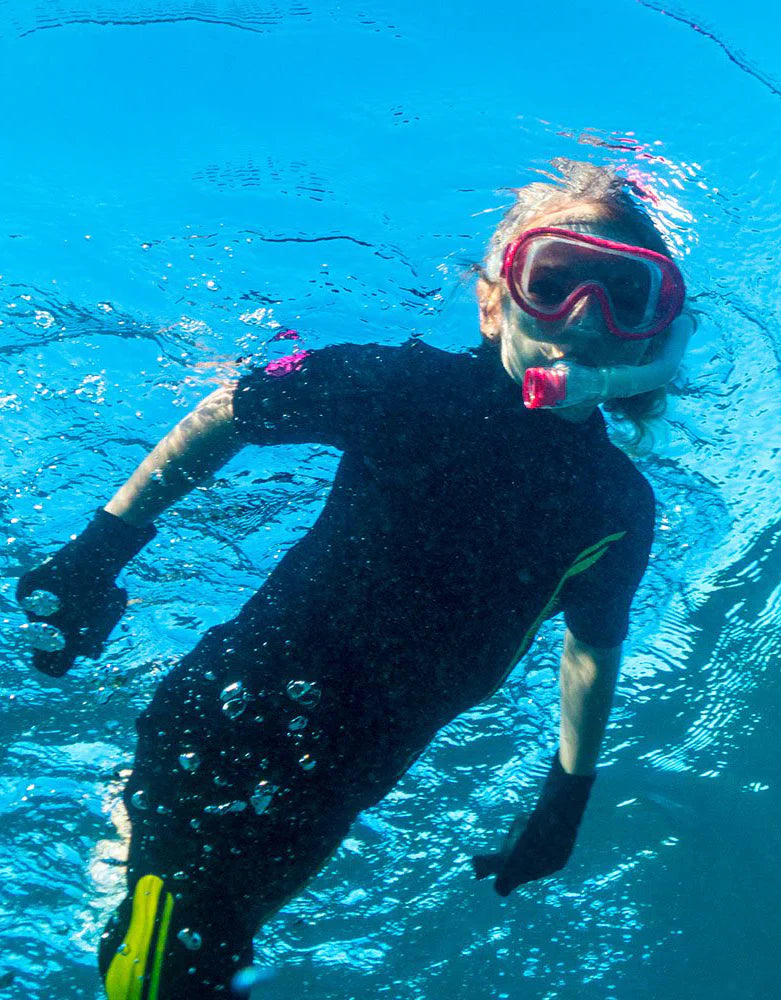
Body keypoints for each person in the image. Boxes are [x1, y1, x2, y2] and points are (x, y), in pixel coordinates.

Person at [16, 158, 693, 999]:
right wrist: (101, 548)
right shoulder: (404, 386)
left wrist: (568, 794)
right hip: (227, 714)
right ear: (493, 301)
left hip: (346, 782)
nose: (582, 316)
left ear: (655, 334)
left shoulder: (617, 506)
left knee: (221, 939)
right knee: (187, 952)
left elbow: (593, 646)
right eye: (551, 280)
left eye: (624, 294)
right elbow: (231, 410)